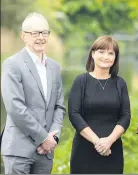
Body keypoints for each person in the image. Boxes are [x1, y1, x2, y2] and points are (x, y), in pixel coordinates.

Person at [1, 12, 66, 174]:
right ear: (23, 36)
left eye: (44, 32)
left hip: (45, 153)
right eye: (35, 33)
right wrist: (43, 138)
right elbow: (15, 108)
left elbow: (59, 107)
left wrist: (53, 138)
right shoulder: (12, 65)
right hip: (19, 149)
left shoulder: (55, 67)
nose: (40, 37)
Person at [68, 35, 131, 174]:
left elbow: (125, 116)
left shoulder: (120, 84)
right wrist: (98, 142)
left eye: (110, 53)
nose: (106, 57)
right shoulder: (80, 81)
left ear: (115, 57)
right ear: (93, 54)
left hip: (112, 150)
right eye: (101, 52)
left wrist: (109, 141)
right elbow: (74, 114)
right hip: (84, 150)